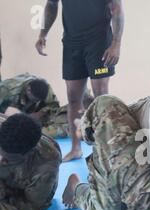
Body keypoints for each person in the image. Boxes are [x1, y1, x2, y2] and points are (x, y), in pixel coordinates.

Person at [36, 0, 125, 162]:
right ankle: (76, 148)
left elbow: (117, 7)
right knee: (73, 98)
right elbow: (51, 4)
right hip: (72, 42)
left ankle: (103, 149)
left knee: (100, 97)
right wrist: (43, 34)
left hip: (99, 41)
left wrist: (116, 44)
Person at [0, 113, 62, 210]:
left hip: (19, 192)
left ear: (28, 154)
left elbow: (32, 205)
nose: (1, 160)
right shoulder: (3, 130)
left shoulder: (46, 166)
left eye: (7, 159)